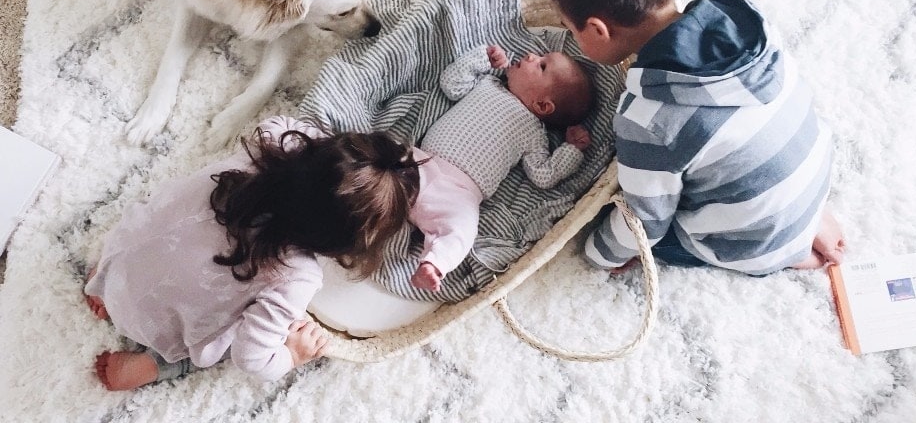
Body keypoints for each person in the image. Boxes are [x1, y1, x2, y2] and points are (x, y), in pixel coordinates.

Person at [545, 0, 846, 276]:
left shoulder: (648, 118)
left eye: (570, 29)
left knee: (634, 228)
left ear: (597, 30)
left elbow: (646, 221)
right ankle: (803, 220)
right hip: (811, 171)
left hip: (753, 239)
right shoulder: (737, 16)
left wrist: (597, 254)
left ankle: (783, 252)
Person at [84, 116, 423, 390]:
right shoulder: (295, 278)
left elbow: (301, 129)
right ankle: (153, 364)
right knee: (220, 344)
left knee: (154, 232)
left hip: (119, 263)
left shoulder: (267, 142)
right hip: (157, 329)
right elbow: (252, 359)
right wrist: (291, 355)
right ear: (338, 245)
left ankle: (103, 284)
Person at [409, 44, 594, 291]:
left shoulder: (535, 134)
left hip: (459, 195)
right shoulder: (488, 83)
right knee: (383, 151)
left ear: (542, 106)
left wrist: (571, 150)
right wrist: (483, 59)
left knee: (464, 228)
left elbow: (543, 175)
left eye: (541, 65)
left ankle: (435, 263)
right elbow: (451, 84)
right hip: (420, 161)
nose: (530, 55)